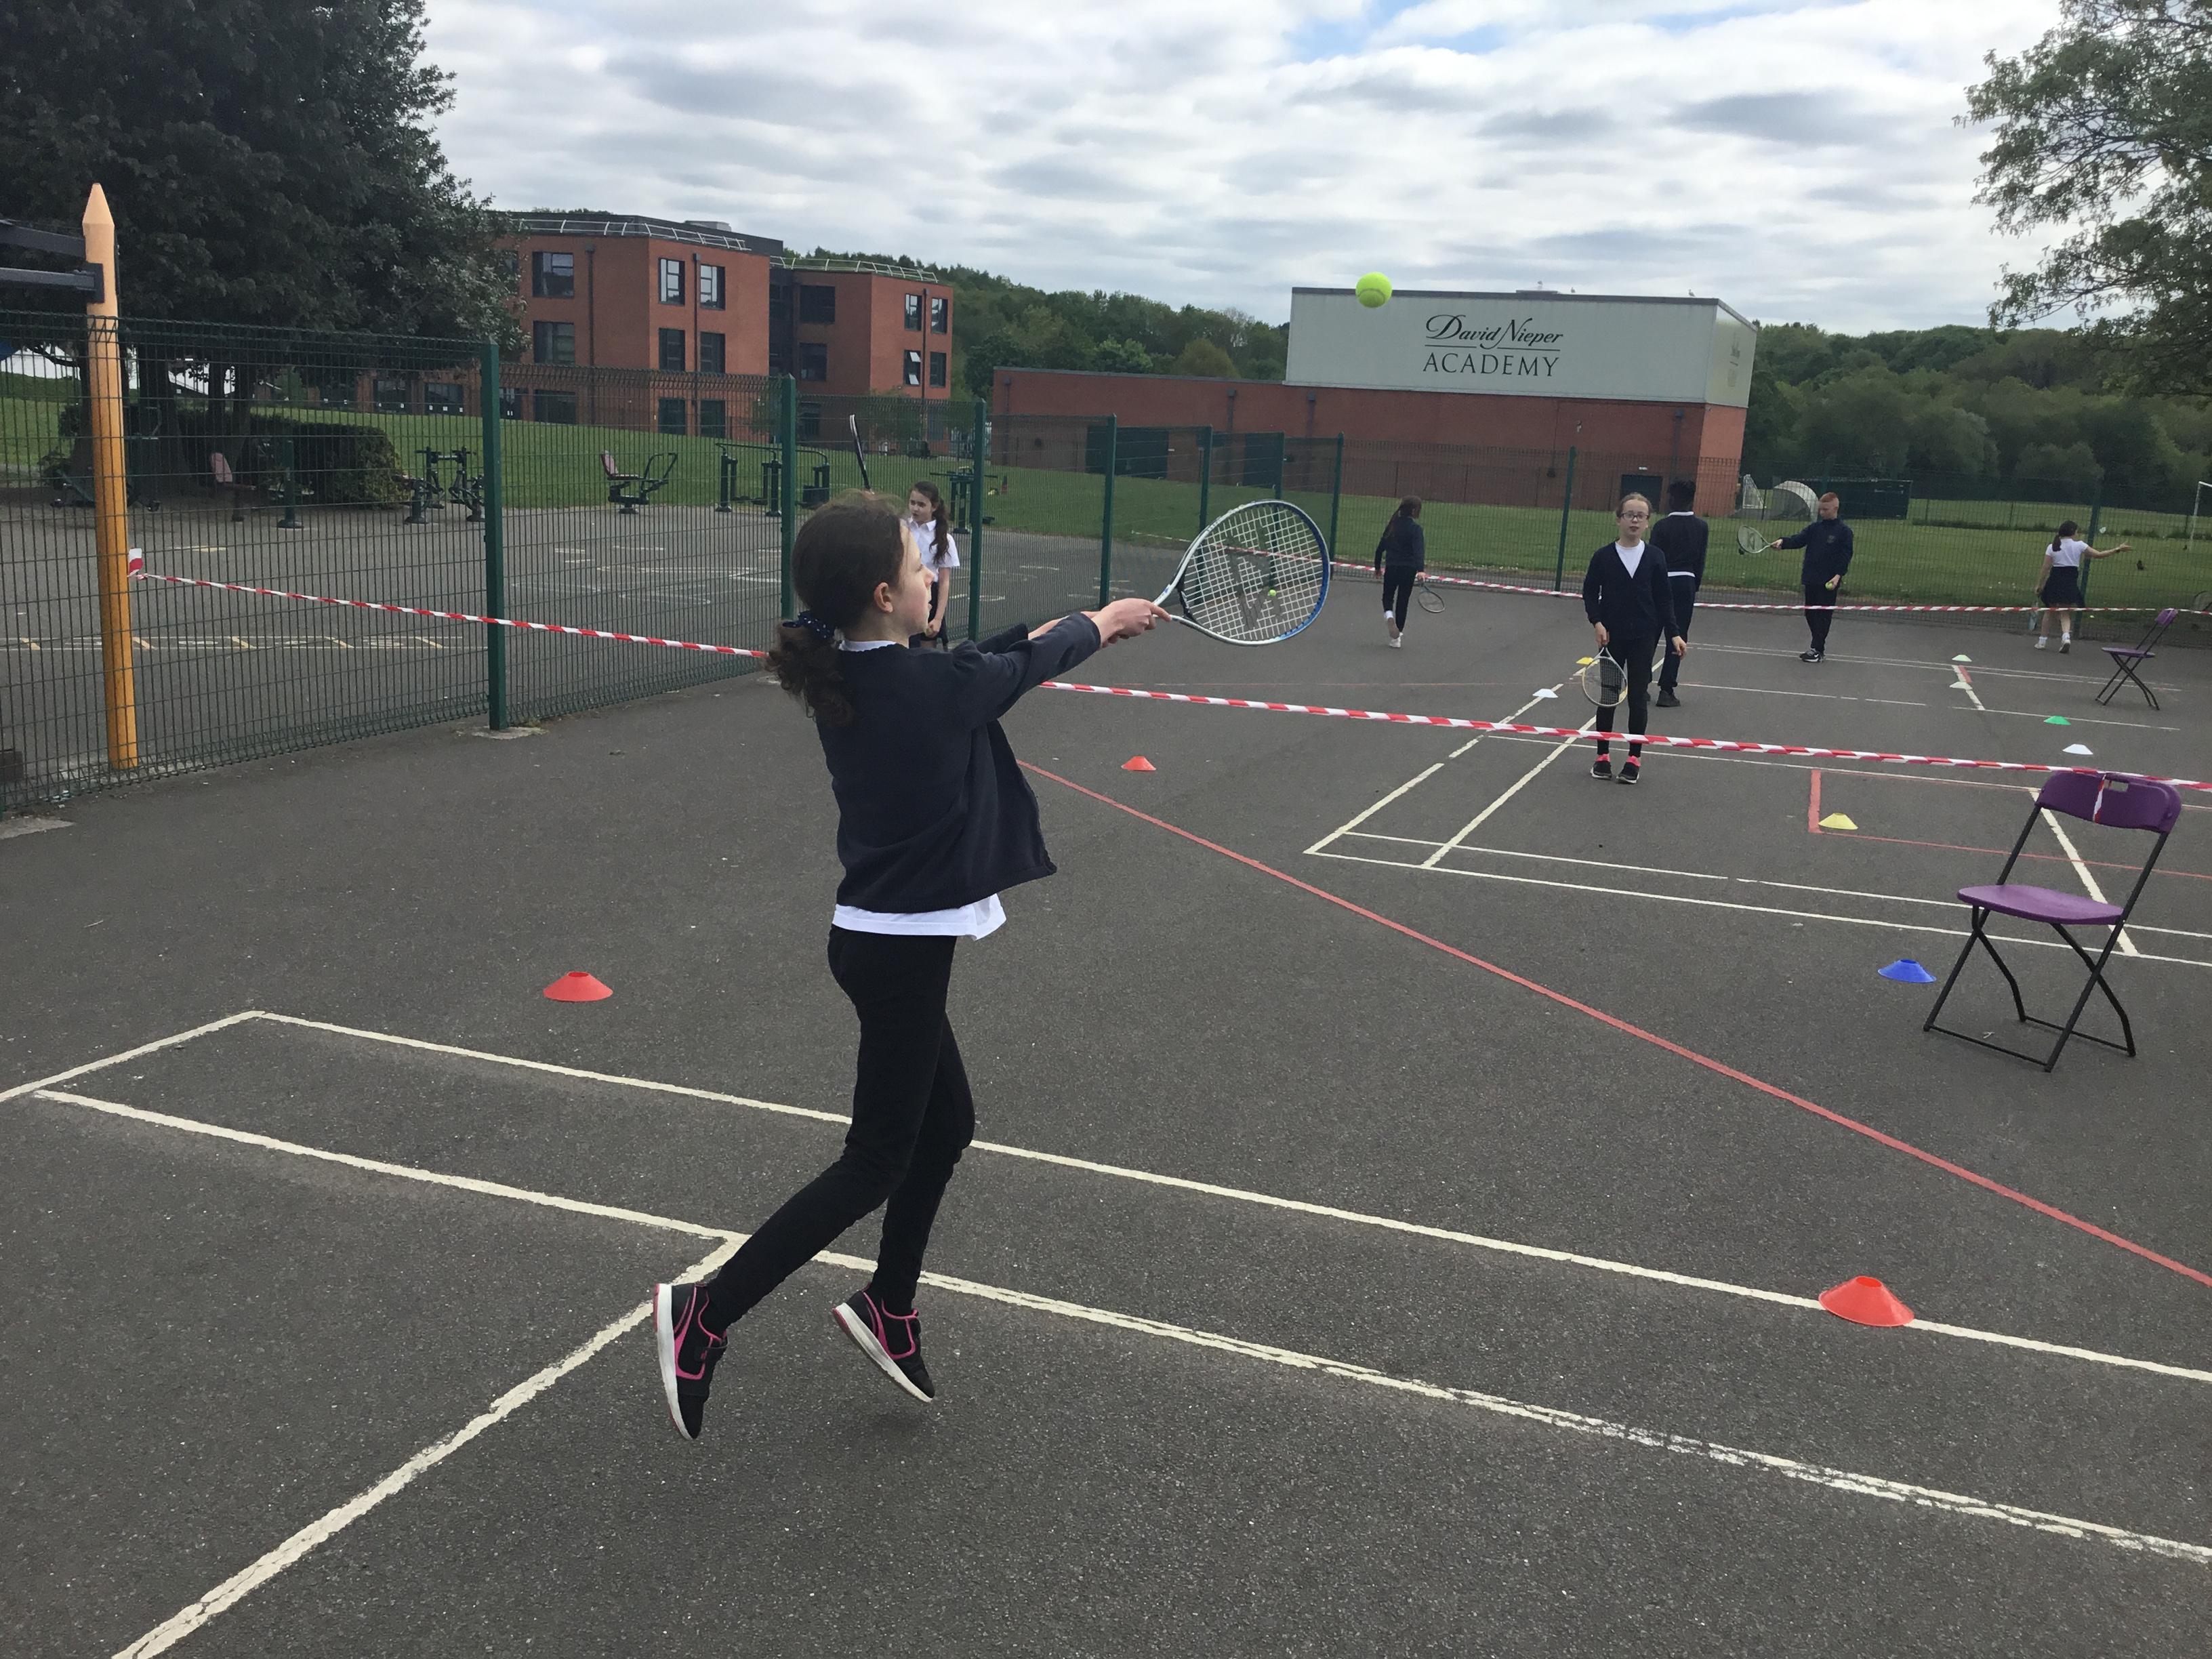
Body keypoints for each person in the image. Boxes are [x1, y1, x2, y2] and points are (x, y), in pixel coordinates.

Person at [651, 495, 1167, 1439]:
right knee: (877, 1159)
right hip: (897, 952)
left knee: (948, 1125)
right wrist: (1098, 623)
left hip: (883, 943)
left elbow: (985, 662)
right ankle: (706, 1314)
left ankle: (889, 1305)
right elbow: (1007, 668)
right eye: (919, 564)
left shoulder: (856, 673)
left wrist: (1071, 627)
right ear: (886, 595)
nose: (936, 575)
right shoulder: (930, 687)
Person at [1581, 493, 1687, 785]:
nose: (1635, 521)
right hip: (1611, 637)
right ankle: (1602, 756)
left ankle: (1633, 758)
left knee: (1638, 697)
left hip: (1644, 635)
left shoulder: (1655, 557)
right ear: (1619, 519)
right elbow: (1590, 592)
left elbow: (1664, 598)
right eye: (1630, 515)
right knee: (1608, 697)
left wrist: (1674, 633)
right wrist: (1597, 622)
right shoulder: (1603, 556)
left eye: (1641, 516)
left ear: (1648, 522)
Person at [1767, 491, 1853, 663]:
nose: (1822, 513)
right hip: (1811, 578)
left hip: (1828, 581)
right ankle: (1817, 646)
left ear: (1835, 509)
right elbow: (1798, 540)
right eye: (1820, 509)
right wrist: (1783, 542)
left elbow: (1845, 556)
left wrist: (1838, 576)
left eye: (1826, 510)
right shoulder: (1815, 529)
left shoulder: (1844, 532)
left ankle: (1817, 649)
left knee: (1823, 616)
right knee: (1810, 613)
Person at [1650, 478, 1708, 708]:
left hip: (1663, 580)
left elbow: (1652, 558)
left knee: (1652, 632)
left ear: (1671, 500)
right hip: (1686, 582)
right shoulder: (1701, 527)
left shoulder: (1661, 526)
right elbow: (1700, 560)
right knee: (1678, 634)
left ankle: (1640, 683)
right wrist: (1694, 585)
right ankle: (1667, 689)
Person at [2032, 520, 2129, 652]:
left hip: (2055, 581)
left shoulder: (2052, 547)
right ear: (2073, 532)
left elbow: (2046, 568)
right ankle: (2066, 637)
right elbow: (2099, 555)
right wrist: (2117, 549)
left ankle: (2042, 642)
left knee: (2049, 611)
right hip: (2070, 581)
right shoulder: (2079, 545)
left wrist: (2040, 585)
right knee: (2065, 612)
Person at [907, 481, 958, 647]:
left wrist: (937, 618)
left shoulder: (944, 539)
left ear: (934, 507)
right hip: (905, 593)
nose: (915, 508)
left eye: (921, 505)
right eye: (912, 503)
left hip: (929, 595)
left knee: (926, 652)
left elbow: (944, 581)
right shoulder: (903, 529)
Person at [1372, 495, 1425, 648]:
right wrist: (1421, 570)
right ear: (1414, 511)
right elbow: (1419, 551)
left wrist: (1377, 567)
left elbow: (1380, 548)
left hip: (1392, 567)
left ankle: (1389, 615)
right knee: (1403, 600)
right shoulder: (1416, 529)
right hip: (1409, 569)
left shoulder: (1392, 526)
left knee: (1388, 596)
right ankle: (1397, 638)